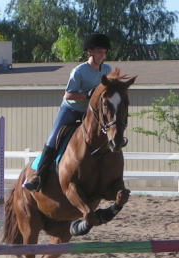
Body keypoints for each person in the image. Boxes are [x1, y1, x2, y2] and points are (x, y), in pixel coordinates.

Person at [22, 33, 112, 192]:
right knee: (52, 139)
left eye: (104, 52)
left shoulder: (107, 69)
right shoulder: (79, 71)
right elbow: (68, 94)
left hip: (90, 112)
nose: (102, 55)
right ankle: (38, 178)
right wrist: (87, 94)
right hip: (71, 109)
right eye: (99, 51)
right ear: (89, 52)